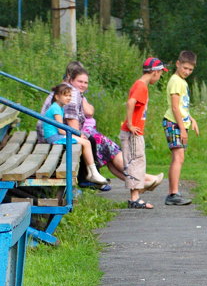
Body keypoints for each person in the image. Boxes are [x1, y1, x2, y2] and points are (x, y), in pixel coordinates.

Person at [43, 62, 152, 193]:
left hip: (60, 132)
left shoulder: (71, 94)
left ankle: (136, 181)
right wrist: (76, 133)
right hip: (52, 135)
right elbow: (68, 124)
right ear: (70, 79)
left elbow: (90, 111)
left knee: (99, 145)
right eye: (80, 81)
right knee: (96, 143)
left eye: (85, 82)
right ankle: (135, 180)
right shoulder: (71, 94)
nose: (83, 85)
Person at [120, 57, 168, 209]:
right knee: (136, 162)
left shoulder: (140, 84)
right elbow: (130, 103)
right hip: (133, 132)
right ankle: (135, 198)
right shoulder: (141, 86)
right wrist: (131, 124)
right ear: (155, 72)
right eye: (160, 73)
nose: (160, 77)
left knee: (138, 161)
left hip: (134, 131)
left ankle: (137, 194)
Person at [40, 83, 108, 185]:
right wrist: (77, 135)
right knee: (86, 143)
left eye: (70, 96)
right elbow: (61, 130)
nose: (69, 98)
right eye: (65, 95)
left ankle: (91, 172)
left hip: (55, 136)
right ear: (57, 96)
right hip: (54, 138)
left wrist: (77, 134)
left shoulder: (59, 107)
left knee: (85, 142)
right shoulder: (56, 109)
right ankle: (93, 173)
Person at [162, 50, 199, 206]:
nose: (187, 72)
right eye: (185, 68)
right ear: (178, 64)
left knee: (178, 158)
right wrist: (182, 129)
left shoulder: (182, 81)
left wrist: (191, 119)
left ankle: (173, 192)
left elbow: (182, 107)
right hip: (174, 123)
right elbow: (175, 108)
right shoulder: (176, 81)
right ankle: (172, 194)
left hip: (180, 123)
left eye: (190, 69)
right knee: (178, 157)